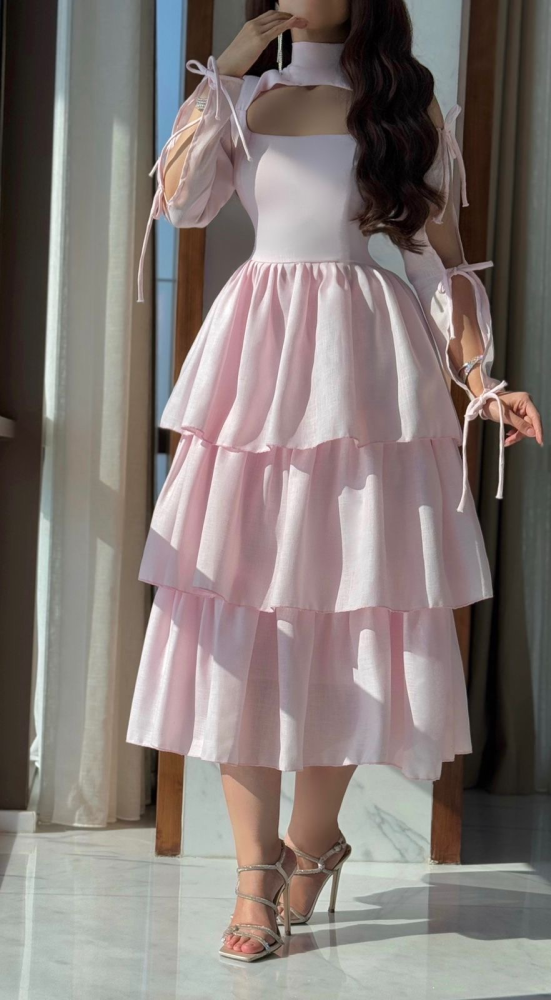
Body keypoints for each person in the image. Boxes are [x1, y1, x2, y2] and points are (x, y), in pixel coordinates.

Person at [127, 0, 544, 963]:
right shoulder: (245, 95)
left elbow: (438, 258)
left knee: (355, 608)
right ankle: (253, 880)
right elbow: (180, 202)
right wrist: (228, 69)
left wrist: (482, 381)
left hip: (364, 362)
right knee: (237, 606)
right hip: (256, 358)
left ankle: (310, 843)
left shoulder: (401, 103)